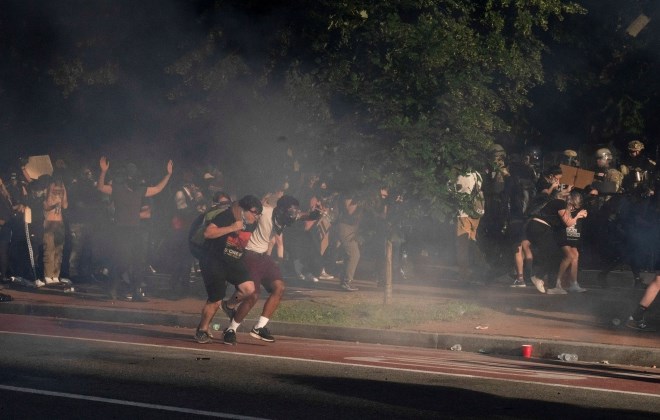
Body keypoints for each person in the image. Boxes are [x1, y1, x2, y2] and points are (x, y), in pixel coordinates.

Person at [221, 195, 314, 343]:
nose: (292, 217)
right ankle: (231, 328)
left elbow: (302, 216)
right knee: (253, 295)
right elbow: (239, 203)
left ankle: (259, 327)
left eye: (294, 213)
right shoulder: (265, 211)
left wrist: (315, 214)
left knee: (279, 287)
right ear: (281, 210)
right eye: (290, 213)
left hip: (264, 257)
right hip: (250, 255)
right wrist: (239, 221)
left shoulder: (285, 217)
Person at [97, 156, 173, 301]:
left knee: (139, 261)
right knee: (121, 260)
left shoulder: (140, 190)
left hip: (136, 230)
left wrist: (168, 175)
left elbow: (157, 189)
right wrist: (103, 172)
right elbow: (100, 187)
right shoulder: (117, 189)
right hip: (121, 230)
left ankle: (136, 292)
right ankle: (112, 288)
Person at [194, 195, 262, 345]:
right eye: (254, 212)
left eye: (258, 214)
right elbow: (208, 233)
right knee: (215, 300)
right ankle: (202, 330)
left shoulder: (251, 222)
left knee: (248, 288)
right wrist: (233, 227)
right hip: (214, 260)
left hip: (233, 260)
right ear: (245, 210)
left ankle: (229, 305)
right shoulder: (227, 216)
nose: (256, 216)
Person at [546, 191, 589, 294]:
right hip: (559, 234)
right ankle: (557, 283)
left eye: (576, 207)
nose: (574, 208)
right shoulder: (563, 207)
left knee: (575, 254)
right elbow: (568, 223)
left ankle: (573, 283)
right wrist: (578, 215)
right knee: (569, 255)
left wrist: (580, 214)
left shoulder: (570, 208)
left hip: (570, 236)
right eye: (573, 205)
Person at [453, 169, 487, 285]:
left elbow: (454, 190)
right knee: (473, 241)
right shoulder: (477, 174)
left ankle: (464, 274)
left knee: (463, 245)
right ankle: (479, 270)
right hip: (475, 213)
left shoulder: (461, 176)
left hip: (464, 214)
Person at [42, 174, 68, 285]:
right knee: (49, 249)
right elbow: (46, 205)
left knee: (59, 250)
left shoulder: (62, 189)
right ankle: (48, 274)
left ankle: (56, 275)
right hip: (49, 221)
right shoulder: (47, 190)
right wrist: (51, 193)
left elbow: (65, 205)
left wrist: (64, 193)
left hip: (59, 222)